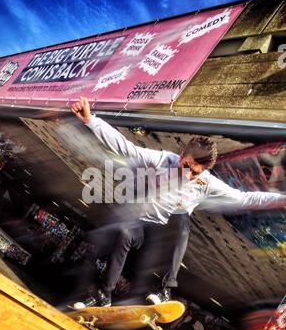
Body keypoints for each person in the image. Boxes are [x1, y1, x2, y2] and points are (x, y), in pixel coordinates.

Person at [72, 97, 286, 308]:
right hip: (142, 231)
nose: (187, 175)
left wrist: (282, 199)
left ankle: (165, 290)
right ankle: (105, 295)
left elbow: (245, 198)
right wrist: (91, 120)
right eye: (186, 166)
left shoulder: (206, 183)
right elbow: (126, 148)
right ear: (181, 155)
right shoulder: (163, 160)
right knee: (125, 232)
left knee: (181, 218)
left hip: (164, 239)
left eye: (194, 173)